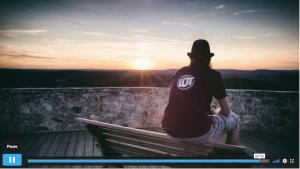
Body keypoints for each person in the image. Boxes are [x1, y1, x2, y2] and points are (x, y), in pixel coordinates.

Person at [161, 39, 239, 145]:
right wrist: (215, 111)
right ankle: (229, 157)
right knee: (234, 120)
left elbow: (183, 101)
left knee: (200, 121)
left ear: (191, 57)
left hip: (171, 130)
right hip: (197, 133)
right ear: (209, 58)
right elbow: (226, 111)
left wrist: (208, 108)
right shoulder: (213, 75)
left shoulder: (179, 72)